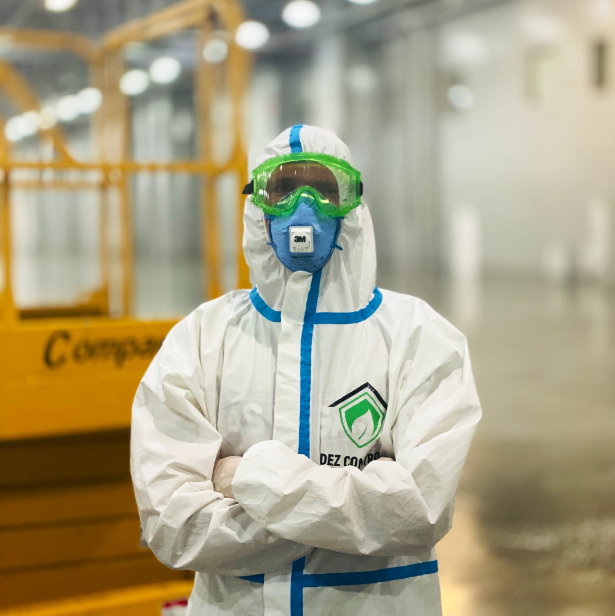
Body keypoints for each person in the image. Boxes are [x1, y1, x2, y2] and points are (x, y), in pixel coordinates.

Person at [131, 125, 482, 616]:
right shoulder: (201, 340)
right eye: (283, 189)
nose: (303, 207)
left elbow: (418, 512)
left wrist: (246, 477)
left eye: (322, 190)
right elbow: (174, 527)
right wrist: (353, 517)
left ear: (350, 205)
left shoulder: (420, 339)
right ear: (258, 206)